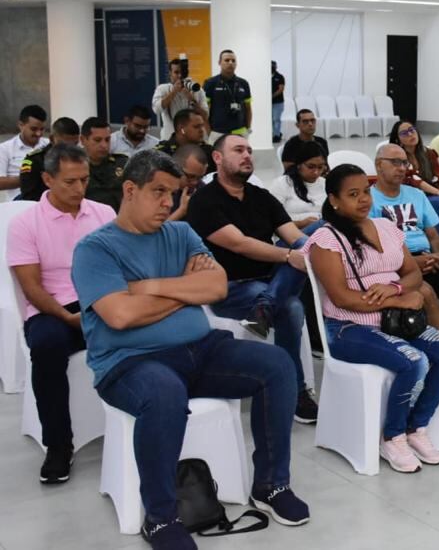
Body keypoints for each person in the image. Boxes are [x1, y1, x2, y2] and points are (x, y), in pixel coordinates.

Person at [71, 150, 310, 548]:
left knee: (277, 364)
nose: (169, 202)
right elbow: (120, 315)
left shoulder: (181, 234)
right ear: (129, 190)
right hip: (129, 364)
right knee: (164, 391)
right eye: (159, 192)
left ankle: (271, 485)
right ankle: (161, 518)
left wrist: (148, 287)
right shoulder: (96, 249)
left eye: (174, 192)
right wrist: (185, 289)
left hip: (201, 349)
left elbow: (215, 287)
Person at [305, 164, 439, 472]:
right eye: (353, 194)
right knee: (414, 361)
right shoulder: (327, 239)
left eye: (366, 191)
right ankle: (392, 436)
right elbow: (342, 297)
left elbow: (413, 273)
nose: (364, 199)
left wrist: (397, 288)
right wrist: (402, 299)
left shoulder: (386, 227)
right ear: (334, 200)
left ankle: (416, 427)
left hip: (395, 321)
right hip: (349, 328)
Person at [186, 134, 319, 423]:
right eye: (238, 150)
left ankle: (265, 307)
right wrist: (289, 256)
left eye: (249, 150)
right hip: (229, 288)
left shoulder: (261, 197)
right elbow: (239, 243)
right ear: (218, 158)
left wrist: (310, 249)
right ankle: (296, 392)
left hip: (269, 281)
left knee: (314, 235)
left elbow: (294, 236)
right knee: (292, 306)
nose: (247, 155)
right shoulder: (204, 201)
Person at [7, 144, 116, 484]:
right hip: (52, 308)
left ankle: (143, 422)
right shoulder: (25, 224)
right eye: (70, 182)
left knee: (148, 331)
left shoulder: (103, 214)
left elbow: (120, 265)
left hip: (99, 300)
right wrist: (68, 318)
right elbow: (31, 287)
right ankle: (58, 445)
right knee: (46, 347)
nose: (79, 189)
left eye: (84, 180)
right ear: (47, 179)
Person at [371, 144, 439, 377]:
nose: (402, 168)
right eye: (395, 162)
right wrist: (413, 262)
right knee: (426, 293)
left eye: (405, 163)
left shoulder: (416, 195)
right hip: (397, 266)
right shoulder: (369, 201)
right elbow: (377, 249)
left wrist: (436, 254)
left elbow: (434, 235)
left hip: (429, 258)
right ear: (379, 165)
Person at [388, 120, 439, 261]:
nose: (410, 134)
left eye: (412, 129)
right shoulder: (400, 157)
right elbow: (415, 180)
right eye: (404, 133)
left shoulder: (429, 152)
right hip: (412, 197)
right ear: (397, 139)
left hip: (432, 193)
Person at [269, 141, 327, 230]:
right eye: (311, 167)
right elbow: (271, 219)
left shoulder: (325, 183)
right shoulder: (283, 183)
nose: (316, 172)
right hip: (291, 233)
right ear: (299, 165)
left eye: (320, 167)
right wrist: (301, 223)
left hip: (322, 231)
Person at [19, 117, 80, 202]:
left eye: (75, 144)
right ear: (52, 139)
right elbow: (29, 197)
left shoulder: (81, 159)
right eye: (65, 144)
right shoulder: (34, 161)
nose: (70, 149)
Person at [152, 57, 207, 140]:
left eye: (182, 72)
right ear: (170, 73)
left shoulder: (197, 90)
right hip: (170, 138)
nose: (180, 76)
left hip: (192, 139)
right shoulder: (162, 89)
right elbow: (156, 109)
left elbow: (205, 115)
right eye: (176, 72)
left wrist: (192, 99)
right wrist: (174, 92)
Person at [80, 117, 129, 211]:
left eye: (107, 140)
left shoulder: (122, 164)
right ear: (82, 140)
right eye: (97, 140)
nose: (104, 145)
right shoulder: (75, 169)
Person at [0, 104, 48, 198]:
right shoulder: (4, 149)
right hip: (20, 200)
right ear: (21, 125)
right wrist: (28, 178)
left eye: (42, 129)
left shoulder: (48, 144)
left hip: (47, 197)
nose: (38, 133)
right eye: (33, 129)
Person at [203, 49, 252, 137]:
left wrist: (248, 128)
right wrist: (209, 133)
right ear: (219, 62)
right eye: (227, 60)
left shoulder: (243, 83)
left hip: (240, 132)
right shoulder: (210, 83)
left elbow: (248, 108)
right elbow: (205, 110)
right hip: (217, 132)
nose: (230, 63)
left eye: (233, 61)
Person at [155, 109, 215, 173]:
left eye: (202, 126)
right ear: (182, 129)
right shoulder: (162, 152)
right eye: (196, 127)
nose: (202, 130)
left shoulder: (209, 151)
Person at [168, 145, 208, 222]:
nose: (195, 182)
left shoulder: (203, 190)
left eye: (200, 177)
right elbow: (153, 229)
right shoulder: (157, 188)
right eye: (190, 176)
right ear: (174, 168)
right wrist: (181, 211)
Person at [271, 60, 286, 143]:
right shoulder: (265, 76)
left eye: (273, 65)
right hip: (268, 103)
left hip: (278, 102)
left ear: (276, 67)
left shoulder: (280, 77)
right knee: (270, 120)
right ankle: (274, 134)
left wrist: (271, 96)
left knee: (276, 119)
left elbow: (281, 89)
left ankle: (276, 136)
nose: (271, 67)